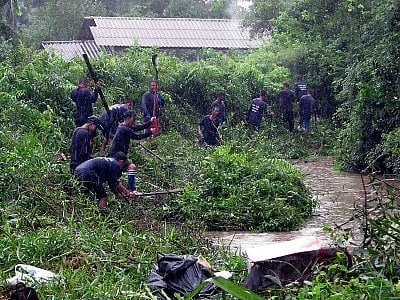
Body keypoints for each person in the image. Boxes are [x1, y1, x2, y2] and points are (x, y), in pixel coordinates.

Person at [108, 110, 157, 191]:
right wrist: (150, 132)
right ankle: (119, 190)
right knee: (115, 174)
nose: (134, 120)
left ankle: (131, 189)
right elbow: (137, 137)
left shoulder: (124, 126)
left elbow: (137, 127)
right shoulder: (124, 129)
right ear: (127, 118)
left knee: (132, 167)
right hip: (116, 155)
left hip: (119, 154)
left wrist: (149, 122)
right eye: (133, 118)